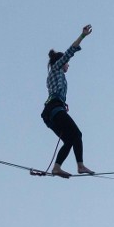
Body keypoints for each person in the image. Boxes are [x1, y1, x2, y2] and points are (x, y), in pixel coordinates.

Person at [40, 24, 95, 178]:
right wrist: (82, 36)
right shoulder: (56, 68)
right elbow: (70, 52)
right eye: (66, 63)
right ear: (60, 62)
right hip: (54, 109)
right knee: (77, 134)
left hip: (51, 113)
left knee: (69, 140)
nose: (68, 64)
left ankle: (56, 168)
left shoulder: (54, 76)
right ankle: (80, 165)